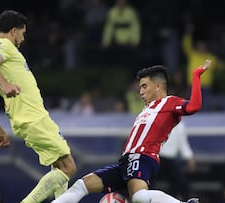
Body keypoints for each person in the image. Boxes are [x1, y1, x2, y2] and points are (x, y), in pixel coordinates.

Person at [52, 59, 212, 203]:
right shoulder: (147, 108)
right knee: (81, 185)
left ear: (158, 86)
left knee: (140, 197)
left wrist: (196, 76)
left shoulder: (170, 102)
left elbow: (194, 106)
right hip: (125, 161)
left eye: (144, 86)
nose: (140, 91)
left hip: (143, 157)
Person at [0, 10, 77, 203]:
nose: (23, 38)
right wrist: (5, 85)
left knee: (58, 168)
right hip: (33, 118)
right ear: (14, 31)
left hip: (28, 118)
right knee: (68, 167)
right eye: (23, 33)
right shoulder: (2, 45)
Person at [155, 121, 196, 200]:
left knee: (182, 182)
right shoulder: (158, 121)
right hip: (156, 158)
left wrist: (189, 157)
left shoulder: (180, 126)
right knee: (147, 179)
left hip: (171, 160)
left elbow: (183, 143)